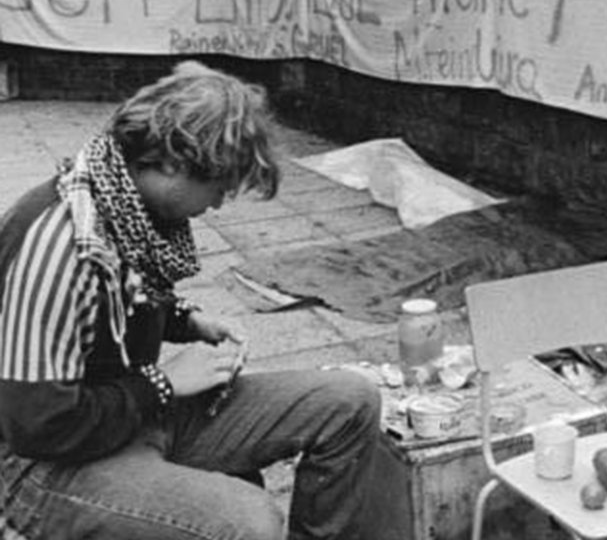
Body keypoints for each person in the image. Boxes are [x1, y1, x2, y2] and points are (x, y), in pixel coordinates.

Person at [0, 61, 381, 540]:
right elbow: (36, 425)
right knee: (249, 521)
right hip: (49, 467)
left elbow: (124, 297)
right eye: (218, 188)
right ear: (173, 164)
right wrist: (160, 384)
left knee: (349, 400)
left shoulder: (126, 201)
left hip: (135, 417)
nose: (219, 204)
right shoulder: (60, 248)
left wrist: (185, 319)